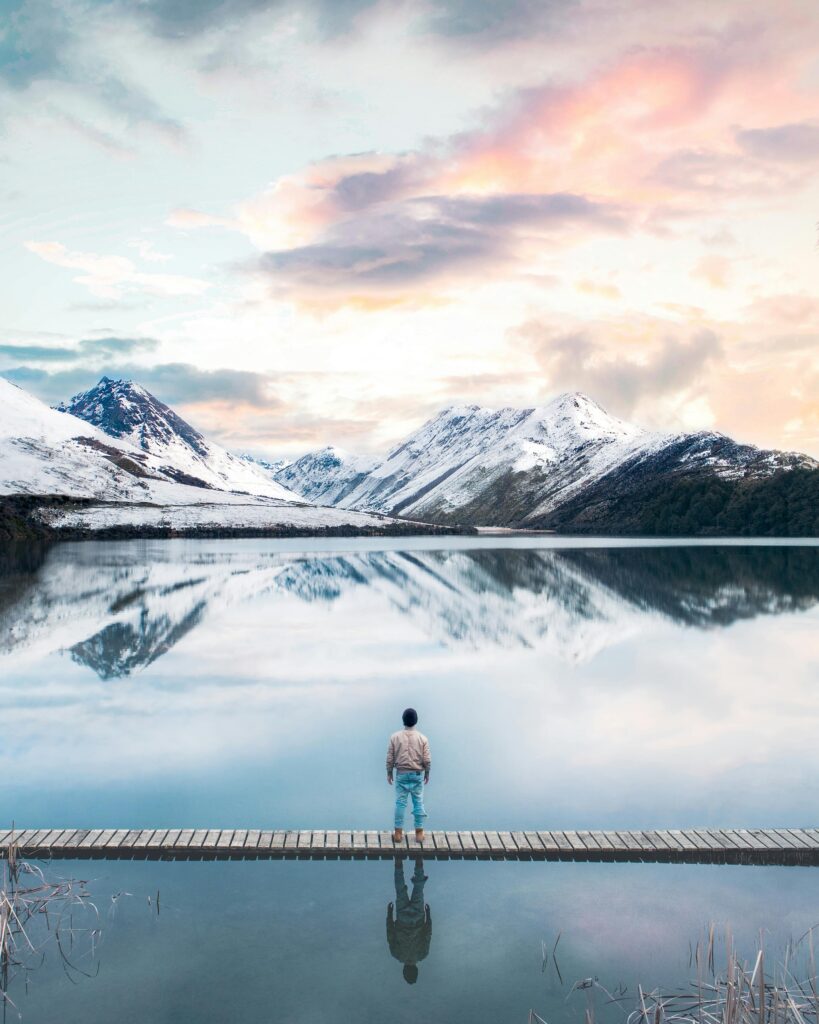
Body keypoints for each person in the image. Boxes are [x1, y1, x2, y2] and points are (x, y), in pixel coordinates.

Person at [386, 707, 431, 842]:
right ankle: (419, 833)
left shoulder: (394, 737)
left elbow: (390, 757)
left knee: (400, 803)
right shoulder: (423, 738)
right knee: (418, 803)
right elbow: (427, 759)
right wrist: (427, 773)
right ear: (416, 721)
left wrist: (389, 772)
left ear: (403, 720)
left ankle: (398, 833)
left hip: (401, 774)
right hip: (417, 775)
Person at [387, 857, 431, 985]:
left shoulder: (423, 954)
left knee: (419, 887)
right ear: (404, 970)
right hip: (402, 917)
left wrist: (428, 914)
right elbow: (390, 933)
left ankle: (419, 860)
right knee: (400, 890)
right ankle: (398, 862)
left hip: (418, 917)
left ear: (416, 969)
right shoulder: (396, 954)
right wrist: (389, 914)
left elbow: (427, 934)